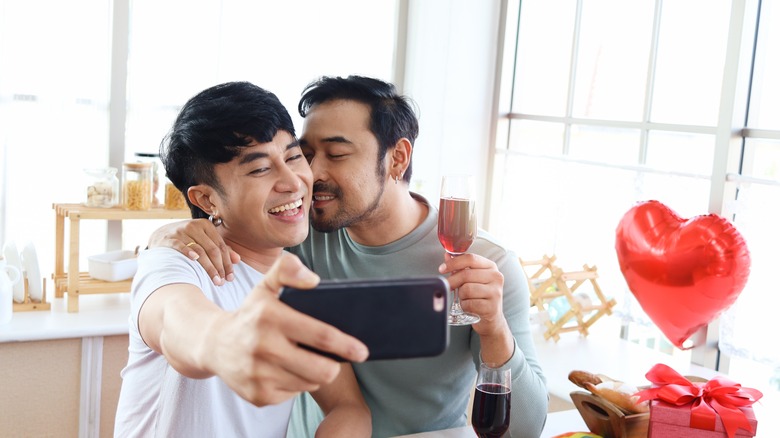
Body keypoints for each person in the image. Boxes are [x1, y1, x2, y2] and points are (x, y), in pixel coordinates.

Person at [148, 76, 549, 437]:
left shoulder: (484, 266)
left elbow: (525, 431)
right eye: (305, 153)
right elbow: (177, 303)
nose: (309, 175)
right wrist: (167, 234)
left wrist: (494, 328)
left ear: (397, 158)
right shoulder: (302, 235)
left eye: (336, 154)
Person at [113, 81, 372, 437]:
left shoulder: (299, 286)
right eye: (260, 169)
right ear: (207, 200)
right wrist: (224, 342)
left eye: (294, 157)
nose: (293, 182)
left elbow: (348, 407)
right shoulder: (177, 261)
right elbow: (177, 322)